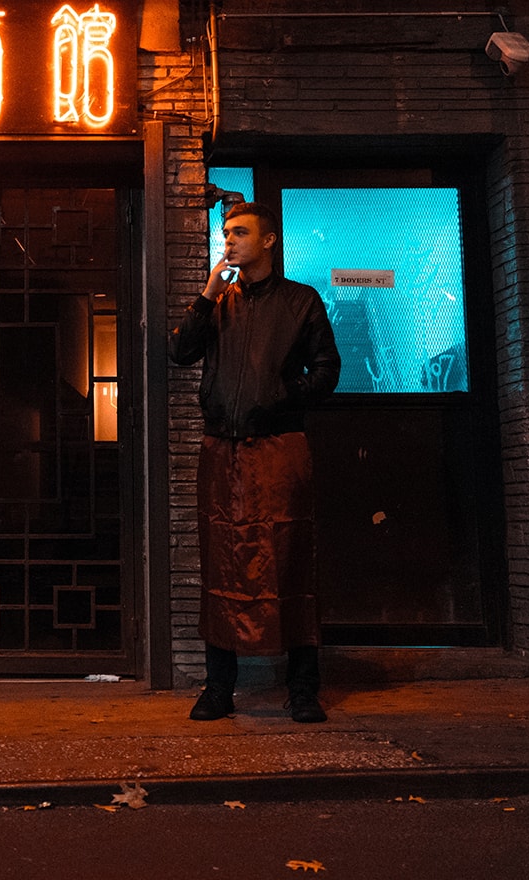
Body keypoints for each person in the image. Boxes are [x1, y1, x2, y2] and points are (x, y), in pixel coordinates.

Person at [169, 202, 340, 723]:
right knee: (221, 562)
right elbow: (180, 352)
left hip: (279, 446)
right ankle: (219, 688)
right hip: (221, 449)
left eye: (240, 233)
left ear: (268, 241)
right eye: (226, 233)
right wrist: (206, 295)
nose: (229, 241)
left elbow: (327, 370)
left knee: (290, 558)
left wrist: (280, 398)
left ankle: (303, 687)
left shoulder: (301, 300)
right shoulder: (218, 302)